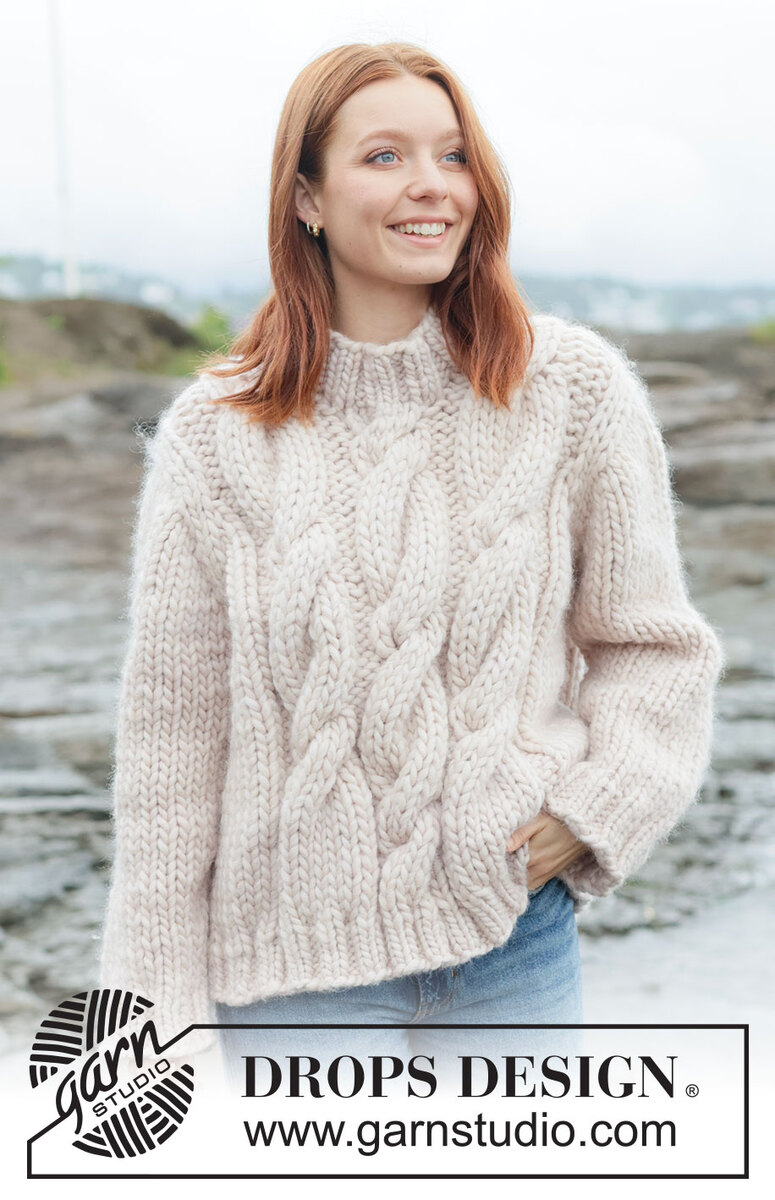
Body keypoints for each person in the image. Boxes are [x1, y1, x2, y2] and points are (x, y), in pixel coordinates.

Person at [97, 42, 725, 1092]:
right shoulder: (215, 435)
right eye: (383, 156)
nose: (432, 184)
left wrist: (590, 815)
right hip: (296, 985)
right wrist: (150, 1028)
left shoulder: (570, 390)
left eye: (452, 154)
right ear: (306, 196)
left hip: (510, 946)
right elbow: (173, 742)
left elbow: (653, 646)